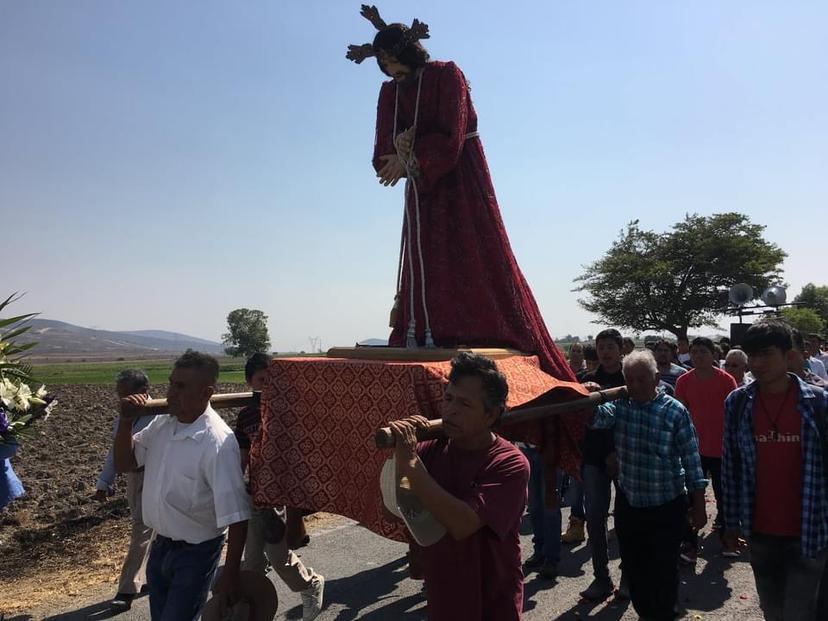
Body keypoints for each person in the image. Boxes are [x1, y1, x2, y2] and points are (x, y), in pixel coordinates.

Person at [346, 8, 572, 383]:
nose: (395, 77)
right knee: (425, 255)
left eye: (399, 68)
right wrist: (395, 159)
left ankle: (486, 328)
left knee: (474, 245)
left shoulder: (448, 74)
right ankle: (423, 326)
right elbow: (383, 144)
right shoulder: (390, 92)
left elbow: (454, 131)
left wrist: (412, 155)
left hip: (460, 177)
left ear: (413, 54)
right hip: (421, 187)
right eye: (388, 71)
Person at [388, 353, 529, 620]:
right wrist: (400, 459)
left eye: (464, 404)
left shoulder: (509, 463)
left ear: (491, 415)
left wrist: (410, 462)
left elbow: (462, 523)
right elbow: (394, 508)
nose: (450, 410)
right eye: (448, 398)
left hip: (493, 599)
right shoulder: (428, 450)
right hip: (445, 595)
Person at [115, 351, 250, 621]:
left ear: (206, 392)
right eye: (170, 384)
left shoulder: (217, 443)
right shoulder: (163, 424)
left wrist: (231, 572)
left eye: (180, 386)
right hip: (161, 547)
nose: (170, 393)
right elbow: (125, 463)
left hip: (196, 554)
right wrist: (126, 421)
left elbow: (237, 516)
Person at [721, 319, 828, 621]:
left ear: (788, 355)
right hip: (761, 532)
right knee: (771, 610)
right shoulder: (738, 403)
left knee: (799, 611)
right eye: (752, 355)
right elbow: (731, 466)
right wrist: (730, 523)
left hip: (810, 531)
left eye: (766, 354)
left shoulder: (818, 403)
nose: (757, 363)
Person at [591, 350, 707, 621]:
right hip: (630, 504)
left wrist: (698, 507)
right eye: (629, 380)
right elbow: (596, 418)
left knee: (664, 569)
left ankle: (663, 613)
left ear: (656, 378)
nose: (635, 386)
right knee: (634, 565)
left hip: (666, 505)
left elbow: (692, 463)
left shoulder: (674, 411)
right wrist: (590, 394)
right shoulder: (620, 405)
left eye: (641, 380)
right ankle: (647, 613)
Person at [235, 353, 324, 621]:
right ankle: (251, 611)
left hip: (276, 494)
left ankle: (310, 583)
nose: (267, 385)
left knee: (278, 557)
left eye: (272, 379)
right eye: (262, 380)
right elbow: (242, 454)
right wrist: (238, 487)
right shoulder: (246, 415)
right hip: (253, 494)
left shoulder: (287, 410)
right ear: (250, 382)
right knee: (252, 562)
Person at [93, 369, 156, 612]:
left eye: (126, 395)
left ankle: (127, 589)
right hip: (134, 478)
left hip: (155, 477)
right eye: (119, 395)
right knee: (150, 530)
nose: (121, 400)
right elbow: (115, 451)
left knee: (142, 530)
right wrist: (104, 482)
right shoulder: (124, 415)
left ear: (143, 393)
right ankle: (149, 578)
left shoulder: (160, 413)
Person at [675, 337, 738, 561]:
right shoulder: (683, 381)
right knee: (691, 499)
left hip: (722, 450)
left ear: (714, 354)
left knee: (725, 497)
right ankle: (690, 544)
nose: (698, 356)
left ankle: (728, 539)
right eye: (695, 352)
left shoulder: (726, 380)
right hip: (694, 452)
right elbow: (680, 414)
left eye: (703, 351)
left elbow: (734, 415)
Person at [578, 329, 627, 601]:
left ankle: (629, 577)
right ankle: (602, 578)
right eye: (601, 347)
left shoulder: (630, 378)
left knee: (627, 520)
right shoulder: (586, 381)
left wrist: (616, 453)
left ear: (621, 349)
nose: (605, 352)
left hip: (626, 460)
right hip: (594, 460)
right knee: (595, 521)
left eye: (610, 346)